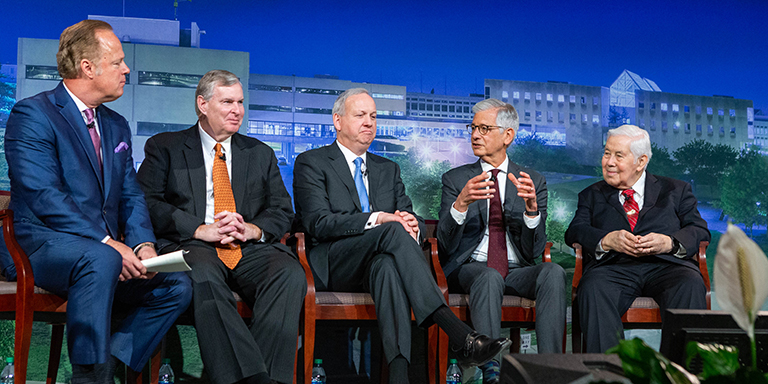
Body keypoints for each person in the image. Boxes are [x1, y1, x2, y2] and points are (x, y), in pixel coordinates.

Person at [3, 20, 192, 383]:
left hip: (101, 252)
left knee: (175, 284)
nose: (126, 69)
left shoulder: (117, 125)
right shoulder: (33, 115)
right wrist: (108, 243)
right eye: (118, 61)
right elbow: (44, 196)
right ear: (87, 67)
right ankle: (89, 377)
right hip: (38, 244)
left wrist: (144, 245)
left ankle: (109, 367)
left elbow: (130, 194)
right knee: (101, 258)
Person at [293, 88, 509, 384]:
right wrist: (380, 218)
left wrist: (414, 224)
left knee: (387, 268)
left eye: (373, 116)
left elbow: (410, 216)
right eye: (360, 115)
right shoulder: (312, 162)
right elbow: (319, 223)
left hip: (378, 263)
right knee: (390, 230)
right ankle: (458, 332)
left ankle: (398, 375)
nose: (369, 122)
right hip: (333, 262)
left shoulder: (387, 168)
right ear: (338, 121)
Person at [137, 70, 305, 384]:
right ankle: (253, 378)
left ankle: (267, 377)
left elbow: (283, 210)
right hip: (194, 244)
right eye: (227, 101)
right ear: (203, 104)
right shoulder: (165, 147)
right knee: (202, 274)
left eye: (240, 102)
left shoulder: (260, 153)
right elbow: (146, 201)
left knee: (288, 272)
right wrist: (199, 228)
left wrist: (252, 229)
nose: (237, 110)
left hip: (246, 246)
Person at [437, 99, 565, 382]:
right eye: (473, 127)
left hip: (518, 270)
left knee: (553, 272)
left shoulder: (532, 180)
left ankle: (551, 369)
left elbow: (534, 250)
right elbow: (444, 246)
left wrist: (533, 212)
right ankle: (491, 370)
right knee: (488, 277)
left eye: (484, 128)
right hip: (472, 267)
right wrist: (460, 205)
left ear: (507, 135)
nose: (474, 135)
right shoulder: (456, 178)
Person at [564, 124, 710, 353]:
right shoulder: (591, 194)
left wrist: (669, 243)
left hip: (668, 267)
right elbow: (575, 231)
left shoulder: (676, 189)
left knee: (690, 283)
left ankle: (680, 375)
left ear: (641, 162)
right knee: (592, 287)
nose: (608, 162)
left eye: (618, 155)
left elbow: (699, 229)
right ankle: (608, 375)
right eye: (606, 153)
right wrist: (606, 240)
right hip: (612, 269)